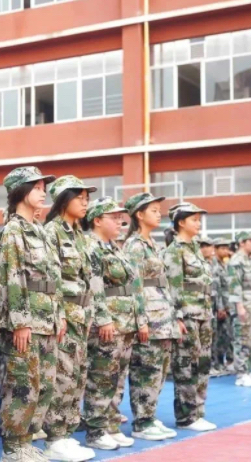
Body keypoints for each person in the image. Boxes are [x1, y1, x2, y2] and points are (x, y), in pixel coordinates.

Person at [0, 166, 62, 462]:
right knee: (22, 384)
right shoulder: (14, 230)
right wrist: (20, 322)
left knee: (44, 385)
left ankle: (27, 440)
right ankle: (13, 447)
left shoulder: (40, 230)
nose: (42, 192)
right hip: (27, 322)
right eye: (36, 187)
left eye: (43, 188)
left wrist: (58, 316)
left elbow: (53, 279)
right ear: (20, 192)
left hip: (46, 320)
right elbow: (13, 277)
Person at [82, 197, 147, 451]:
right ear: (97, 220)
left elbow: (132, 286)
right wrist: (103, 319)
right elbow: (94, 286)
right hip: (108, 322)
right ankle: (96, 430)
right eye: (114, 217)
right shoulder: (91, 246)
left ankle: (111, 424)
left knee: (118, 378)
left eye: (122, 217)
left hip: (125, 322)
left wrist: (139, 319)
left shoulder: (115, 248)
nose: (121, 222)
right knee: (101, 377)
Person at [41, 175, 97, 462]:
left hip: (82, 314)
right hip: (65, 314)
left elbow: (88, 280)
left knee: (77, 375)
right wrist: (58, 314)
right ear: (63, 200)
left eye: (87, 198)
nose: (85, 203)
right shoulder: (51, 232)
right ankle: (54, 437)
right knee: (61, 375)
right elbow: (50, 279)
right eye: (80, 198)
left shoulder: (80, 235)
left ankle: (66, 432)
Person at [119, 193, 180, 441]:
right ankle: (142, 422)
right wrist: (140, 320)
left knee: (159, 371)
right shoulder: (134, 245)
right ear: (139, 215)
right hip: (149, 319)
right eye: (153, 210)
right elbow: (133, 286)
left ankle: (150, 416)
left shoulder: (151, 243)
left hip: (162, 317)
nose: (158, 213)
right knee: (146, 370)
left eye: (158, 209)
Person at [163, 202, 216, 432]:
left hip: (203, 313)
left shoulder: (195, 248)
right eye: (194, 219)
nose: (198, 223)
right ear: (181, 222)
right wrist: (177, 317)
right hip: (188, 316)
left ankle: (199, 411)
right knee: (186, 365)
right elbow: (173, 287)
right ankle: (186, 416)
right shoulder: (174, 251)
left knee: (203, 364)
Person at [228, 232, 251, 387]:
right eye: (250, 241)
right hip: (244, 304)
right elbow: (234, 284)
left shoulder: (250, 260)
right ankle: (241, 374)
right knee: (242, 340)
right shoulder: (236, 260)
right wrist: (239, 306)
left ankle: (248, 372)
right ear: (242, 243)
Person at [211, 238, 234, 376]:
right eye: (222, 248)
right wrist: (220, 307)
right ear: (216, 249)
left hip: (227, 305)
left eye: (226, 248)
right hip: (219, 306)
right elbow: (216, 289)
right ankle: (215, 364)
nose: (225, 251)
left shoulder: (225, 264)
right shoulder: (214, 265)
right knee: (217, 337)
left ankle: (221, 362)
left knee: (226, 336)